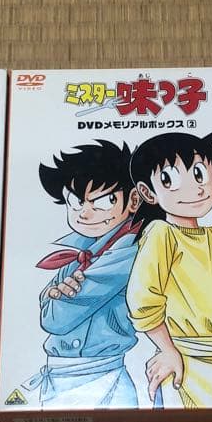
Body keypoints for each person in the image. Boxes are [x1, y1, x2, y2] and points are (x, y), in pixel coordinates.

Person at [126, 129, 212, 408]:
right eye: (170, 180)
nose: (196, 189)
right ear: (148, 193)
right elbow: (142, 300)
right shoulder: (161, 233)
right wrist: (167, 349)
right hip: (184, 358)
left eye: (200, 174)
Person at [27, 140, 151, 408]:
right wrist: (54, 296)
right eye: (75, 200)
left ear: (133, 200)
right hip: (60, 375)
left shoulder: (126, 254)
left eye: (103, 201)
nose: (84, 212)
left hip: (103, 375)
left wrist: (55, 299)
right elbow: (46, 300)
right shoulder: (79, 252)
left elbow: (54, 319)